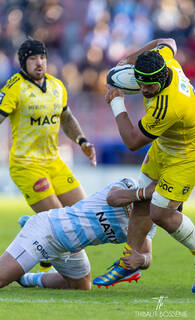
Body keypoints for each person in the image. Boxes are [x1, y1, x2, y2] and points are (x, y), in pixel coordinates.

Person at [94, 38, 195, 293]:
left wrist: (116, 101)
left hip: (189, 154)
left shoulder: (169, 105)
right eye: (139, 83)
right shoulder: (164, 59)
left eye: (147, 86)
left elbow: (131, 141)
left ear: (161, 79)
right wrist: (128, 60)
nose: (143, 90)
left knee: (160, 214)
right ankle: (129, 261)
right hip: (167, 145)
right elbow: (168, 41)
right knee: (142, 205)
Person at [0, 39, 96, 271]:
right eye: (33, 58)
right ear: (23, 62)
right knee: (59, 222)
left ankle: (33, 227)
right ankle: (44, 250)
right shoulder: (14, 87)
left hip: (54, 162)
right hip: (26, 165)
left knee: (85, 217)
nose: (39, 62)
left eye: (42, 57)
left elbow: (66, 118)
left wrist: (82, 140)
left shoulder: (56, 86)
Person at [0, 178, 155, 290]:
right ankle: (27, 240)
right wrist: (143, 193)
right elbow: (112, 199)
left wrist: (141, 259)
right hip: (46, 232)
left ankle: (26, 278)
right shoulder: (128, 185)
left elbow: (147, 255)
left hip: (71, 249)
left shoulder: (149, 222)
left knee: (81, 286)